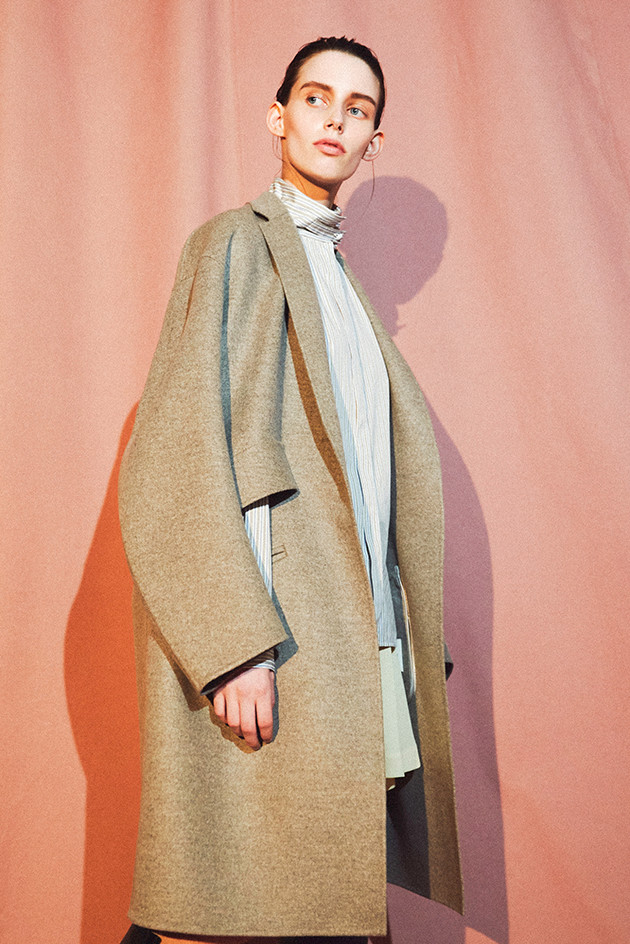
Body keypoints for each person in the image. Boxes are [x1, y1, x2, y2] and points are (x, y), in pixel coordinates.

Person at [118, 36, 462, 944]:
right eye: (317, 98)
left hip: (352, 641)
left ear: (374, 140)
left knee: (320, 901)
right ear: (278, 116)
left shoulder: (342, 288)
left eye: (358, 108)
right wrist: (233, 646)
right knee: (247, 904)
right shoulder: (236, 244)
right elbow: (175, 452)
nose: (335, 119)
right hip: (278, 636)